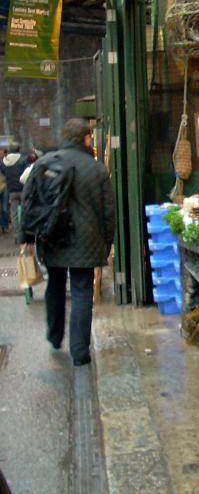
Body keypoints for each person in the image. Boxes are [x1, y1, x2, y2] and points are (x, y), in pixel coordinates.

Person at [19, 119, 115, 366]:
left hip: (52, 238)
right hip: (87, 241)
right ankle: (80, 352)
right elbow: (108, 212)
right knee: (82, 292)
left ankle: (54, 335)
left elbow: (29, 203)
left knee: (55, 285)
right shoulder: (96, 169)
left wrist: (27, 238)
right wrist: (107, 242)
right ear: (85, 138)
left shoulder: (44, 163)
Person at [1, 144, 26, 233]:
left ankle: (17, 233)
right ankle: (25, 232)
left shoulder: (4, 161)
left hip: (11, 190)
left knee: (14, 213)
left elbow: (3, 172)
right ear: (19, 149)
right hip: (23, 189)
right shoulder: (23, 159)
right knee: (25, 211)